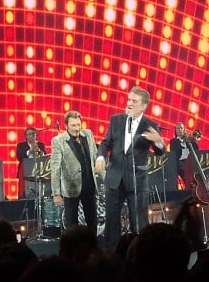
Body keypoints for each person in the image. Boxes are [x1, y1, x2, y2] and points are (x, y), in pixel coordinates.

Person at [95, 86, 165, 252]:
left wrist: (158, 141)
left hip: (137, 179)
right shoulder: (116, 120)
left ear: (143, 106)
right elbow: (106, 143)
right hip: (115, 178)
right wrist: (100, 157)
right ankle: (112, 256)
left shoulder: (150, 125)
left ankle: (141, 254)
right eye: (129, 100)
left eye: (134, 101)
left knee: (139, 222)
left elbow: (160, 152)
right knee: (112, 221)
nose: (129, 103)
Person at [50, 110, 99, 235]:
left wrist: (104, 179)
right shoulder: (58, 141)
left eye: (78, 124)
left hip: (89, 186)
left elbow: (95, 158)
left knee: (92, 221)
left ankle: (92, 247)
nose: (77, 128)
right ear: (66, 126)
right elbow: (55, 168)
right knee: (72, 226)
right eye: (73, 125)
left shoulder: (88, 134)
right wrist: (56, 193)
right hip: (71, 188)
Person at [16, 127, 47, 198]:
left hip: (38, 170)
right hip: (25, 170)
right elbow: (19, 157)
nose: (32, 136)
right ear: (26, 136)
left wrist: (39, 151)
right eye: (30, 134)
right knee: (24, 190)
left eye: (34, 134)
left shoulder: (41, 145)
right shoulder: (21, 145)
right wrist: (30, 151)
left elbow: (45, 157)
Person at [169, 122, 199, 189]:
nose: (180, 130)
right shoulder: (173, 141)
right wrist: (182, 143)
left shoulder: (189, 140)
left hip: (190, 162)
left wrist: (192, 139)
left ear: (184, 129)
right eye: (178, 128)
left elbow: (196, 149)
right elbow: (174, 152)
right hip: (180, 163)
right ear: (175, 130)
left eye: (181, 128)